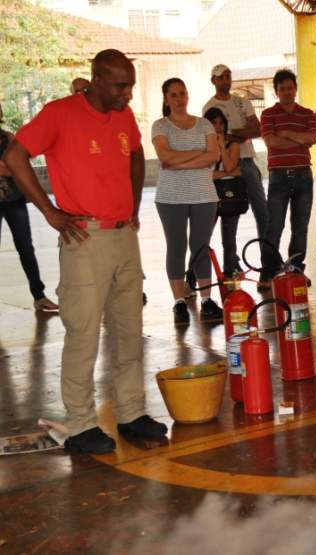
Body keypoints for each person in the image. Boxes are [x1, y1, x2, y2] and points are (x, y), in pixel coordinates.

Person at [3, 49, 168, 453]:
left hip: (124, 236)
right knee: (84, 334)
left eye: (131, 85)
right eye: (121, 86)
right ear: (97, 79)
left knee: (129, 331)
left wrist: (132, 205)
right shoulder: (60, 114)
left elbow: (135, 154)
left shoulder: (123, 115)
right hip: (84, 238)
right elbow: (13, 157)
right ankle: (80, 424)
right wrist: (49, 211)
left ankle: (131, 413)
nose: (128, 94)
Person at [151, 78, 222, 324]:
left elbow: (213, 155)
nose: (179, 99)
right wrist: (198, 154)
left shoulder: (204, 124)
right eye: (173, 95)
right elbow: (164, 156)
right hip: (171, 197)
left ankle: (206, 299)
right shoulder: (160, 126)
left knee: (201, 247)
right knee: (177, 246)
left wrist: (178, 162)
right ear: (166, 99)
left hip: (204, 195)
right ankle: (179, 301)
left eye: (182, 93)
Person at [203, 64, 267, 275]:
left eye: (228, 76)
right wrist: (240, 134)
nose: (225, 80)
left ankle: (269, 261)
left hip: (246, 162)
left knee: (262, 212)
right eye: (221, 77)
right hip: (223, 165)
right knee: (227, 215)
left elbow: (257, 129)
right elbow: (213, 135)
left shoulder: (242, 102)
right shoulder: (209, 107)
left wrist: (231, 135)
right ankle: (229, 265)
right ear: (213, 80)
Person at [260, 69, 316, 281]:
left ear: (295, 89)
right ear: (276, 91)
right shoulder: (268, 114)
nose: (287, 92)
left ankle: (295, 269)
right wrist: (299, 139)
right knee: (274, 226)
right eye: (282, 88)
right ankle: (268, 271)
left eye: (290, 88)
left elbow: (313, 138)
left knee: (300, 228)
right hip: (278, 177)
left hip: (304, 176)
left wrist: (286, 134)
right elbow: (271, 141)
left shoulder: (307, 113)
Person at [0, 105, 58, 312]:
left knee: (26, 247)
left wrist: (11, 166)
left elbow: (17, 165)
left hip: (14, 200)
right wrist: (10, 166)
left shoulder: (8, 137)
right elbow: (12, 166)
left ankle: (39, 296)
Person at [203, 106, 244, 279]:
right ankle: (193, 277)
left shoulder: (233, 145)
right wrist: (228, 173)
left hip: (229, 195)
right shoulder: (202, 146)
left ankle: (229, 275)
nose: (218, 126)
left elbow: (228, 165)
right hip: (208, 194)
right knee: (202, 238)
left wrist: (221, 146)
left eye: (221, 123)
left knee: (229, 239)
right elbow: (204, 174)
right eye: (214, 123)